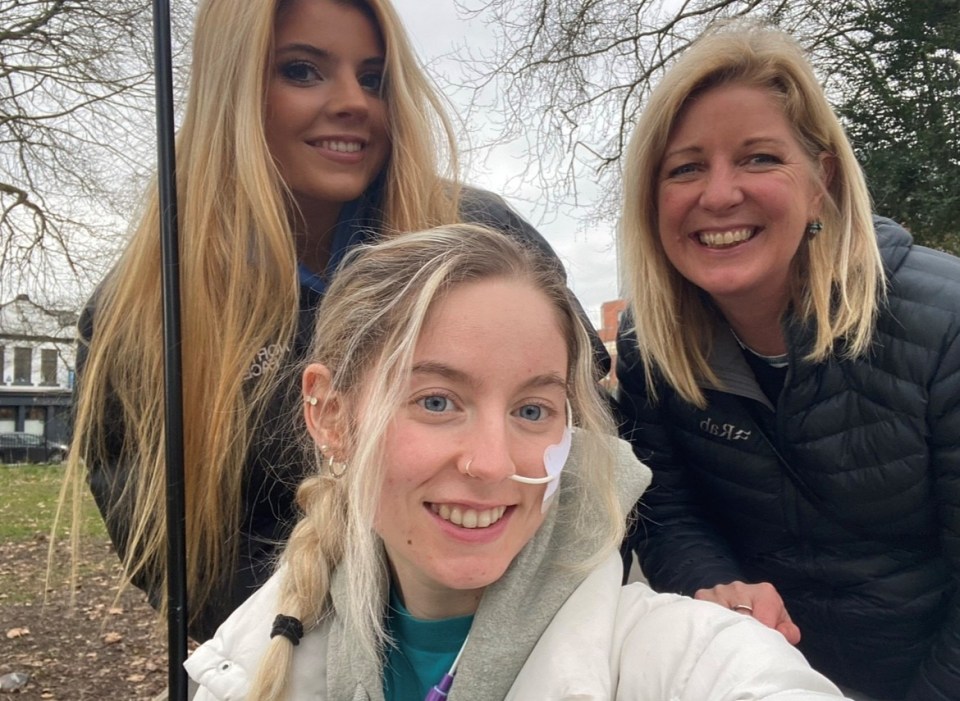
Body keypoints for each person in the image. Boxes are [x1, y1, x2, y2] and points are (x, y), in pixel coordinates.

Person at [63, 0, 603, 643]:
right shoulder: (143, 308)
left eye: (373, 78)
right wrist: (347, 656)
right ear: (231, 91)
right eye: (302, 71)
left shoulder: (482, 236)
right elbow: (178, 563)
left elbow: (591, 439)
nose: (355, 102)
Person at [183, 223, 850, 701]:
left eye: (533, 410)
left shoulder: (672, 659)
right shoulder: (240, 662)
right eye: (438, 400)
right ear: (330, 414)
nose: (492, 463)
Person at [615, 21, 960, 701]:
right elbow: (669, 515)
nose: (718, 195)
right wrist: (719, 590)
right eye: (685, 167)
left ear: (819, 178)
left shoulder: (944, 323)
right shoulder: (646, 350)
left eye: (759, 158)